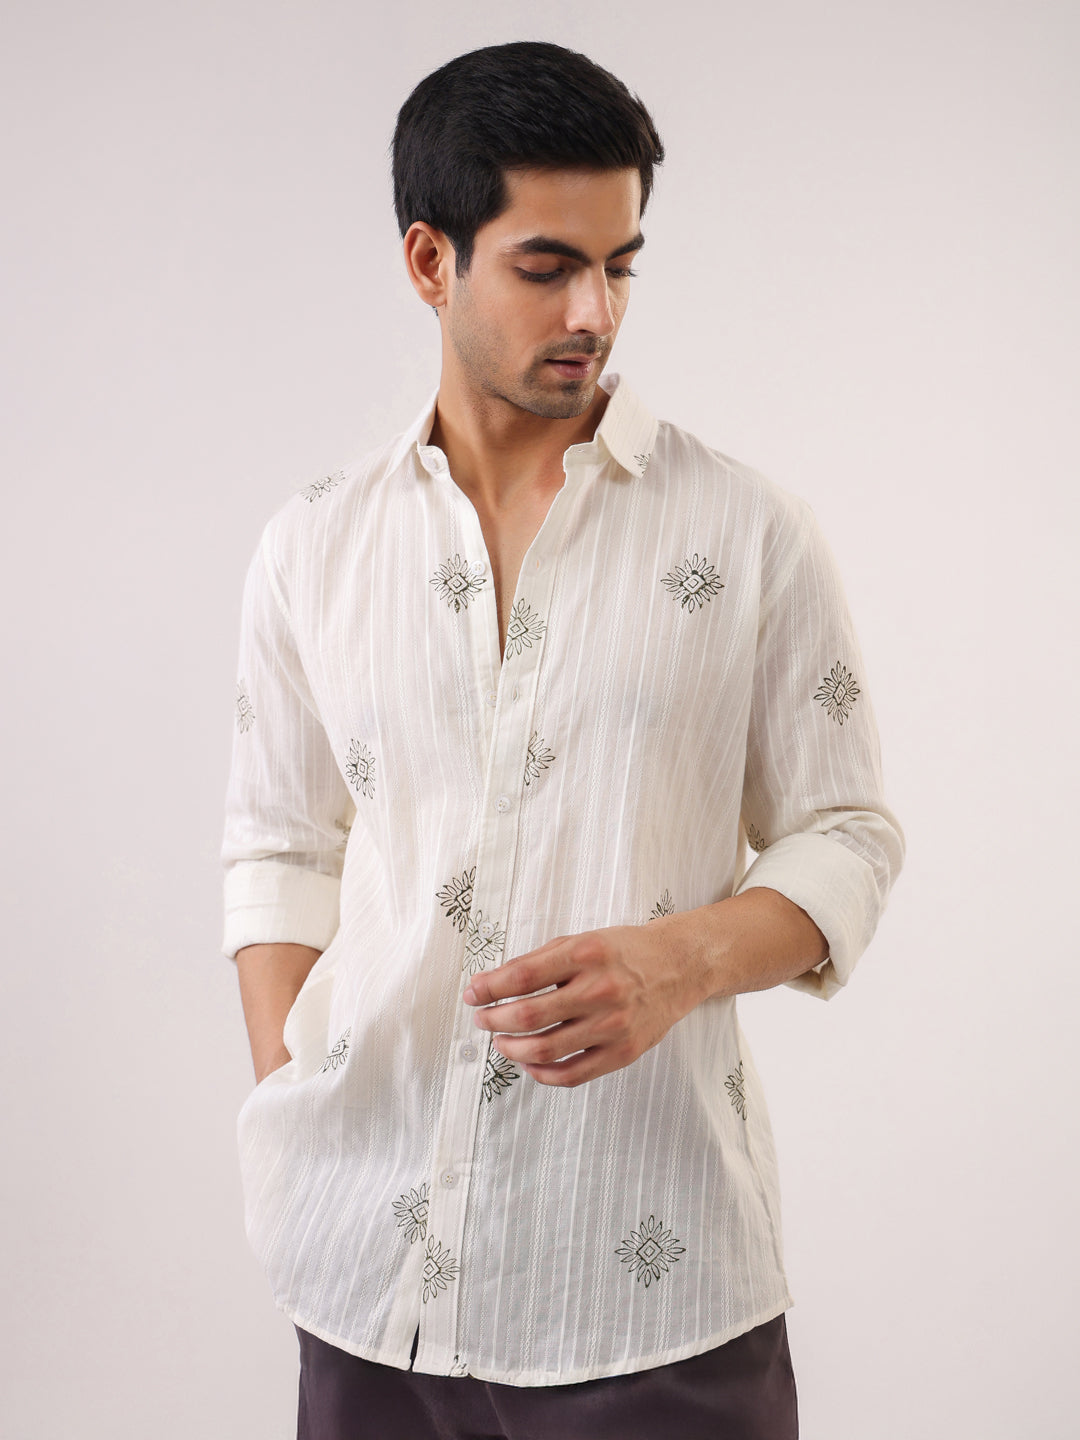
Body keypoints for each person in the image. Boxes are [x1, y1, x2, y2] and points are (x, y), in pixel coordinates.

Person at [221, 39, 904, 1440]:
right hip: (366, 1287)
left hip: (651, 1292)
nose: (596, 310)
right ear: (432, 261)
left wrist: (678, 961)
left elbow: (848, 835)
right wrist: (301, 1094)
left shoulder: (749, 535)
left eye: (621, 265)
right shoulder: (314, 547)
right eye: (547, 266)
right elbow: (279, 845)